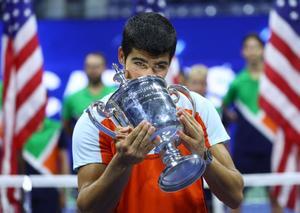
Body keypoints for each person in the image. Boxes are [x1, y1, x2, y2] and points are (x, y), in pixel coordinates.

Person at [73, 12, 244, 213]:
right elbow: (87, 208)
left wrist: (203, 155)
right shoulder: (97, 120)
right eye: (139, 63)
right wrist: (122, 163)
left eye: (159, 66)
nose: (148, 75)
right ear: (122, 57)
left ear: (170, 63)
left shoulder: (195, 108)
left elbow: (235, 196)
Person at [221, 34, 281, 213]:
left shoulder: (275, 81)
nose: (252, 51)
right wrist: (230, 116)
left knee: (276, 199)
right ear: (243, 52)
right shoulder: (237, 82)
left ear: (263, 50)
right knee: (236, 200)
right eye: (248, 47)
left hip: (272, 148)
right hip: (244, 150)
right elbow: (224, 108)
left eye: (256, 47)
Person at [62, 52, 116, 137]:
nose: (93, 70)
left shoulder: (114, 94)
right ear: (84, 68)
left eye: (97, 66)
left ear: (104, 67)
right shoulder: (72, 98)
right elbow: (66, 124)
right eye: (89, 66)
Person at [23, 117, 69, 213]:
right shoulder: (19, 128)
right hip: (25, 190)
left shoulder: (56, 129)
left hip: (50, 191)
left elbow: (64, 162)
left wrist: (64, 193)